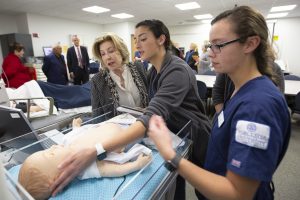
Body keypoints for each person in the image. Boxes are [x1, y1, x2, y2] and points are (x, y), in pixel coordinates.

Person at [51, 20, 211, 200]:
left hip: (193, 136)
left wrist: (96, 149)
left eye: (142, 39)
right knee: (190, 184)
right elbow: (151, 107)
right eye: (136, 40)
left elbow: (151, 114)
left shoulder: (175, 70)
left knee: (207, 191)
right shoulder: (154, 71)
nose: (137, 44)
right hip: (171, 133)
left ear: (161, 39)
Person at [147, 6, 291, 200]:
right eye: (210, 46)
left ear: (250, 44)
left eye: (219, 45)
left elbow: (237, 194)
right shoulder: (238, 88)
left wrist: (171, 154)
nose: (211, 53)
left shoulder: (257, 106)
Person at [18, 121, 152, 200]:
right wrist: (136, 165)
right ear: (58, 178)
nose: (53, 147)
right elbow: (109, 169)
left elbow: (78, 134)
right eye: (51, 154)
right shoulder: (82, 169)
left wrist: (76, 127)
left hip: (109, 124)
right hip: (126, 135)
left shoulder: (67, 143)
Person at [90, 33, 148, 118]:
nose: (107, 57)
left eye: (111, 51)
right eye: (103, 54)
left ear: (121, 51)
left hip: (145, 124)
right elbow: (97, 117)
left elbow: (152, 97)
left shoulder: (138, 68)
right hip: (118, 129)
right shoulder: (98, 80)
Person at [212, 61, 285, 113]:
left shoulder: (273, 69)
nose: (210, 54)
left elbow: (277, 103)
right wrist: (223, 118)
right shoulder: (228, 67)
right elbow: (217, 93)